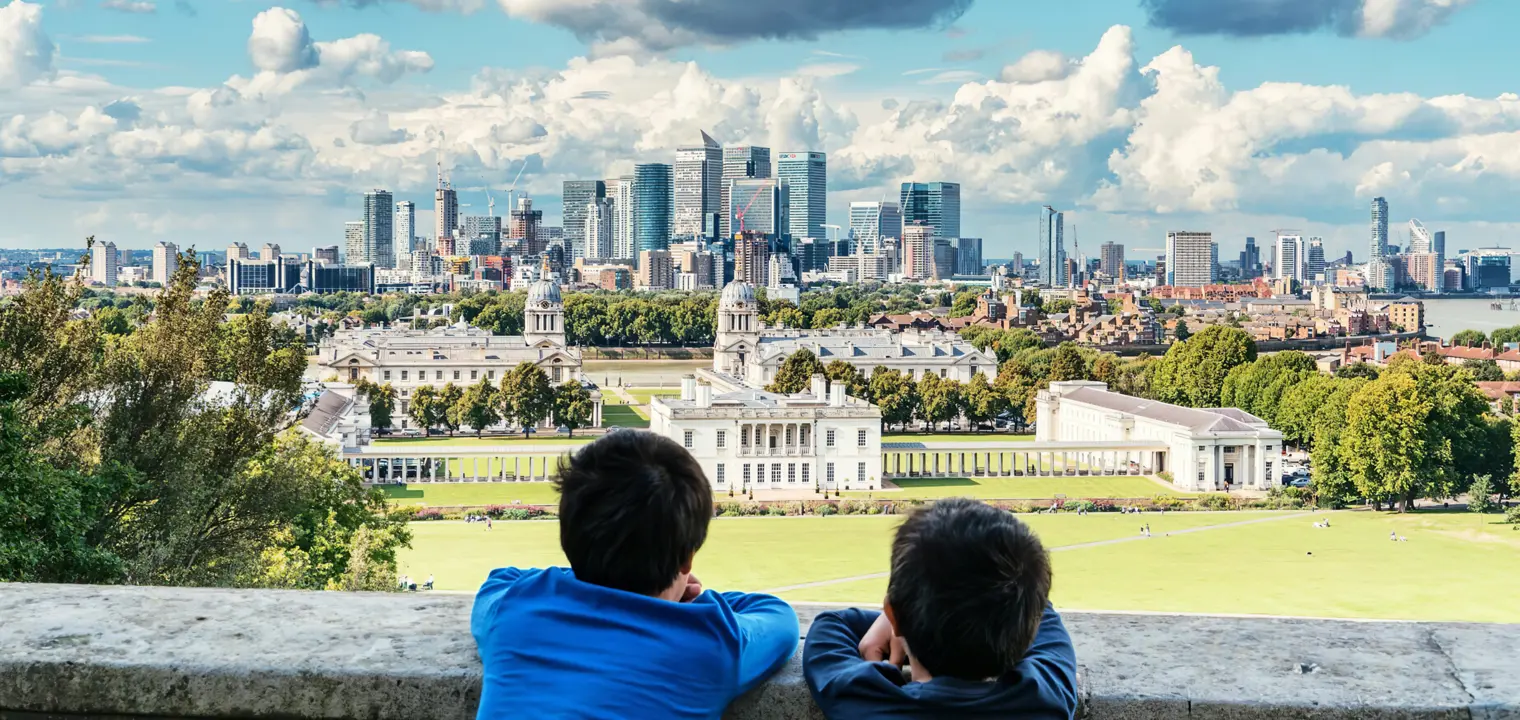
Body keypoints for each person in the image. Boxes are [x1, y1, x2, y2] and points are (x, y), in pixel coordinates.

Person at [471, 430, 799, 720]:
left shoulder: (517, 609)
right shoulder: (707, 639)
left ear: (566, 538)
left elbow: (500, 581)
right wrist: (692, 604)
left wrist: (584, 570)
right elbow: (779, 619)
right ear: (687, 559)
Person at [803, 498, 1078, 719]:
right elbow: (1042, 614)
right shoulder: (1044, 702)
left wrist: (902, 615)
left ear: (893, 614)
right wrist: (903, 613)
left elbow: (829, 627)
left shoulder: (864, 703)